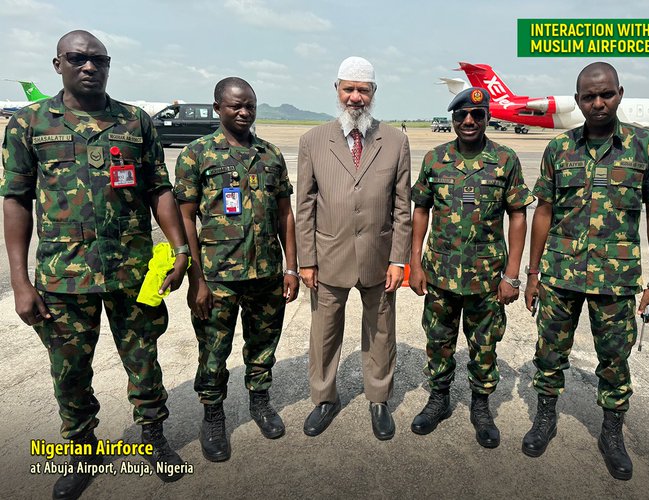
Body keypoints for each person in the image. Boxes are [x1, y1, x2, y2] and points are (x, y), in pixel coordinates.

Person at [0, 30, 189, 498]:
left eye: (99, 60)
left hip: (131, 270)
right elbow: (16, 201)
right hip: (65, 274)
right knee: (69, 369)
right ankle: (82, 449)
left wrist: (181, 250)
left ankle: (153, 436)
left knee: (144, 359)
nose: (90, 67)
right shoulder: (30, 123)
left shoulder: (135, 121)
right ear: (57, 64)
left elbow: (159, 190)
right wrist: (20, 281)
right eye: (78, 58)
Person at [522, 62, 649, 481]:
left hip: (616, 280)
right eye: (589, 96)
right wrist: (532, 274)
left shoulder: (644, 147)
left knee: (614, 360)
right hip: (559, 275)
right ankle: (545, 418)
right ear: (578, 101)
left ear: (620, 94)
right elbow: (544, 212)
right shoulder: (559, 149)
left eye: (605, 93)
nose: (598, 102)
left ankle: (612, 432)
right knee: (549, 354)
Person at [174, 77, 298, 462]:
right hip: (217, 276)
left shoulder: (270, 154)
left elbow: (284, 215)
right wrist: (197, 280)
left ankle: (260, 402)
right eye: (234, 106)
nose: (243, 112)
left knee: (262, 347)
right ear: (218, 108)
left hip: (265, 274)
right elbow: (185, 218)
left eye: (250, 106)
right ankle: (213, 415)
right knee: (213, 351)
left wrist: (290, 268)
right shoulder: (197, 154)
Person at [409, 87, 534, 447]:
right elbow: (421, 209)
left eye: (476, 115)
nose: (468, 121)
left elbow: (517, 216)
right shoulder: (435, 159)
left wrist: (512, 274)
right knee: (439, 341)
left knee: (484, 345)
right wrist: (415, 263)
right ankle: (439, 399)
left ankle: (481, 406)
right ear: (452, 119)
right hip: (440, 274)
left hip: (487, 278)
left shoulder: (505, 159)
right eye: (461, 115)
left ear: (486, 118)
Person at [296, 56, 412, 440]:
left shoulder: (395, 140)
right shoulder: (313, 140)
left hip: (380, 259)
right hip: (328, 257)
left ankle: (378, 398)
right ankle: (324, 399)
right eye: (349, 88)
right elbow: (306, 206)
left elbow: (401, 206)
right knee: (325, 331)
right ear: (337, 90)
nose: (355, 97)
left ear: (373, 93)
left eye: (363, 90)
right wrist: (306, 261)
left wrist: (399, 259)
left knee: (381, 329)